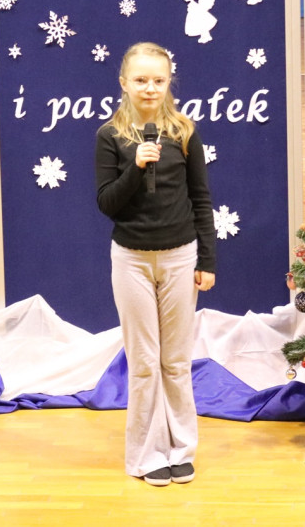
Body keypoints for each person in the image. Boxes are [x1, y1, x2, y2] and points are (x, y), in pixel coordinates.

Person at [95, 42, 216, 487]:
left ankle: (181, 449)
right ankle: (146, 454)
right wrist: (137, 167)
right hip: (131, 261)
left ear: (169, 83)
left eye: (158, 80)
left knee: (176, 361)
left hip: (181, 257)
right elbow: (107, 203)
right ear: (124, 83)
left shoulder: (184, 133)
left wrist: (207, 258)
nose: (150, 88)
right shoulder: (111, 136)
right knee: (144, 361)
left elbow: (201, 199)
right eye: (141, 80)